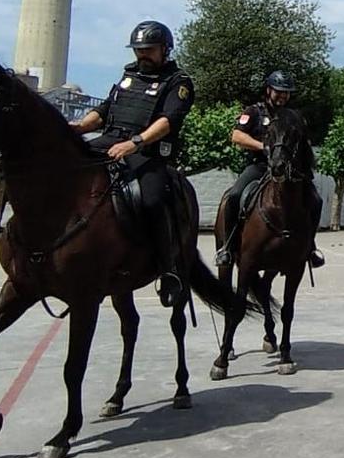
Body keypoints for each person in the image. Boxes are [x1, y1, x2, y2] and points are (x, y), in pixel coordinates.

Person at [73, 19, 196, 306]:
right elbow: (104, 111)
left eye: (149, 50)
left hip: (148, 152)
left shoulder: (178, 82)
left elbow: (168, 121)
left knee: (153, 200)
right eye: (139, 50)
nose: (142, 55)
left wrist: (135, 143)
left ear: (165, 49)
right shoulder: (128, 76)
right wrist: (79, 127)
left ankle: (167, 268)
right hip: (109, 142)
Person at [217, 70, 324, 270]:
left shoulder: (294, 117)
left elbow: (304, 143)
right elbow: (237, 137)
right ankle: (228, 248)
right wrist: (264, 147)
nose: (282, 96)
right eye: (278, 91)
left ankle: (309, 247)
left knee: (316, 200)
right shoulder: (254, 112)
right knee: (234, 196)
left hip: (289, 171)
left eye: (286, 92)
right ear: (268, 90)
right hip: (260, 166)